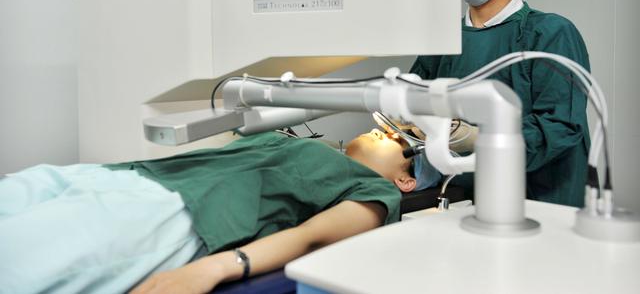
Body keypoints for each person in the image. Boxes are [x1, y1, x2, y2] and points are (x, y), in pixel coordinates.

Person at [0, 129, 416, 294]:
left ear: (406, 180)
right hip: (116, 175)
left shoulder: (377, 191)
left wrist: (214, 268)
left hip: (167, 214)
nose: (389, 129)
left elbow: (309, 237)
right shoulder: (297, 142)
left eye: (405, 138)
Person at [410, 0, 590, 207]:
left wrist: (476, 138)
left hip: (536, 202)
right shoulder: (443, 39)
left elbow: (559, 125)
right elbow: (411, 106)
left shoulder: (549, 34)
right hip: (459, 201)